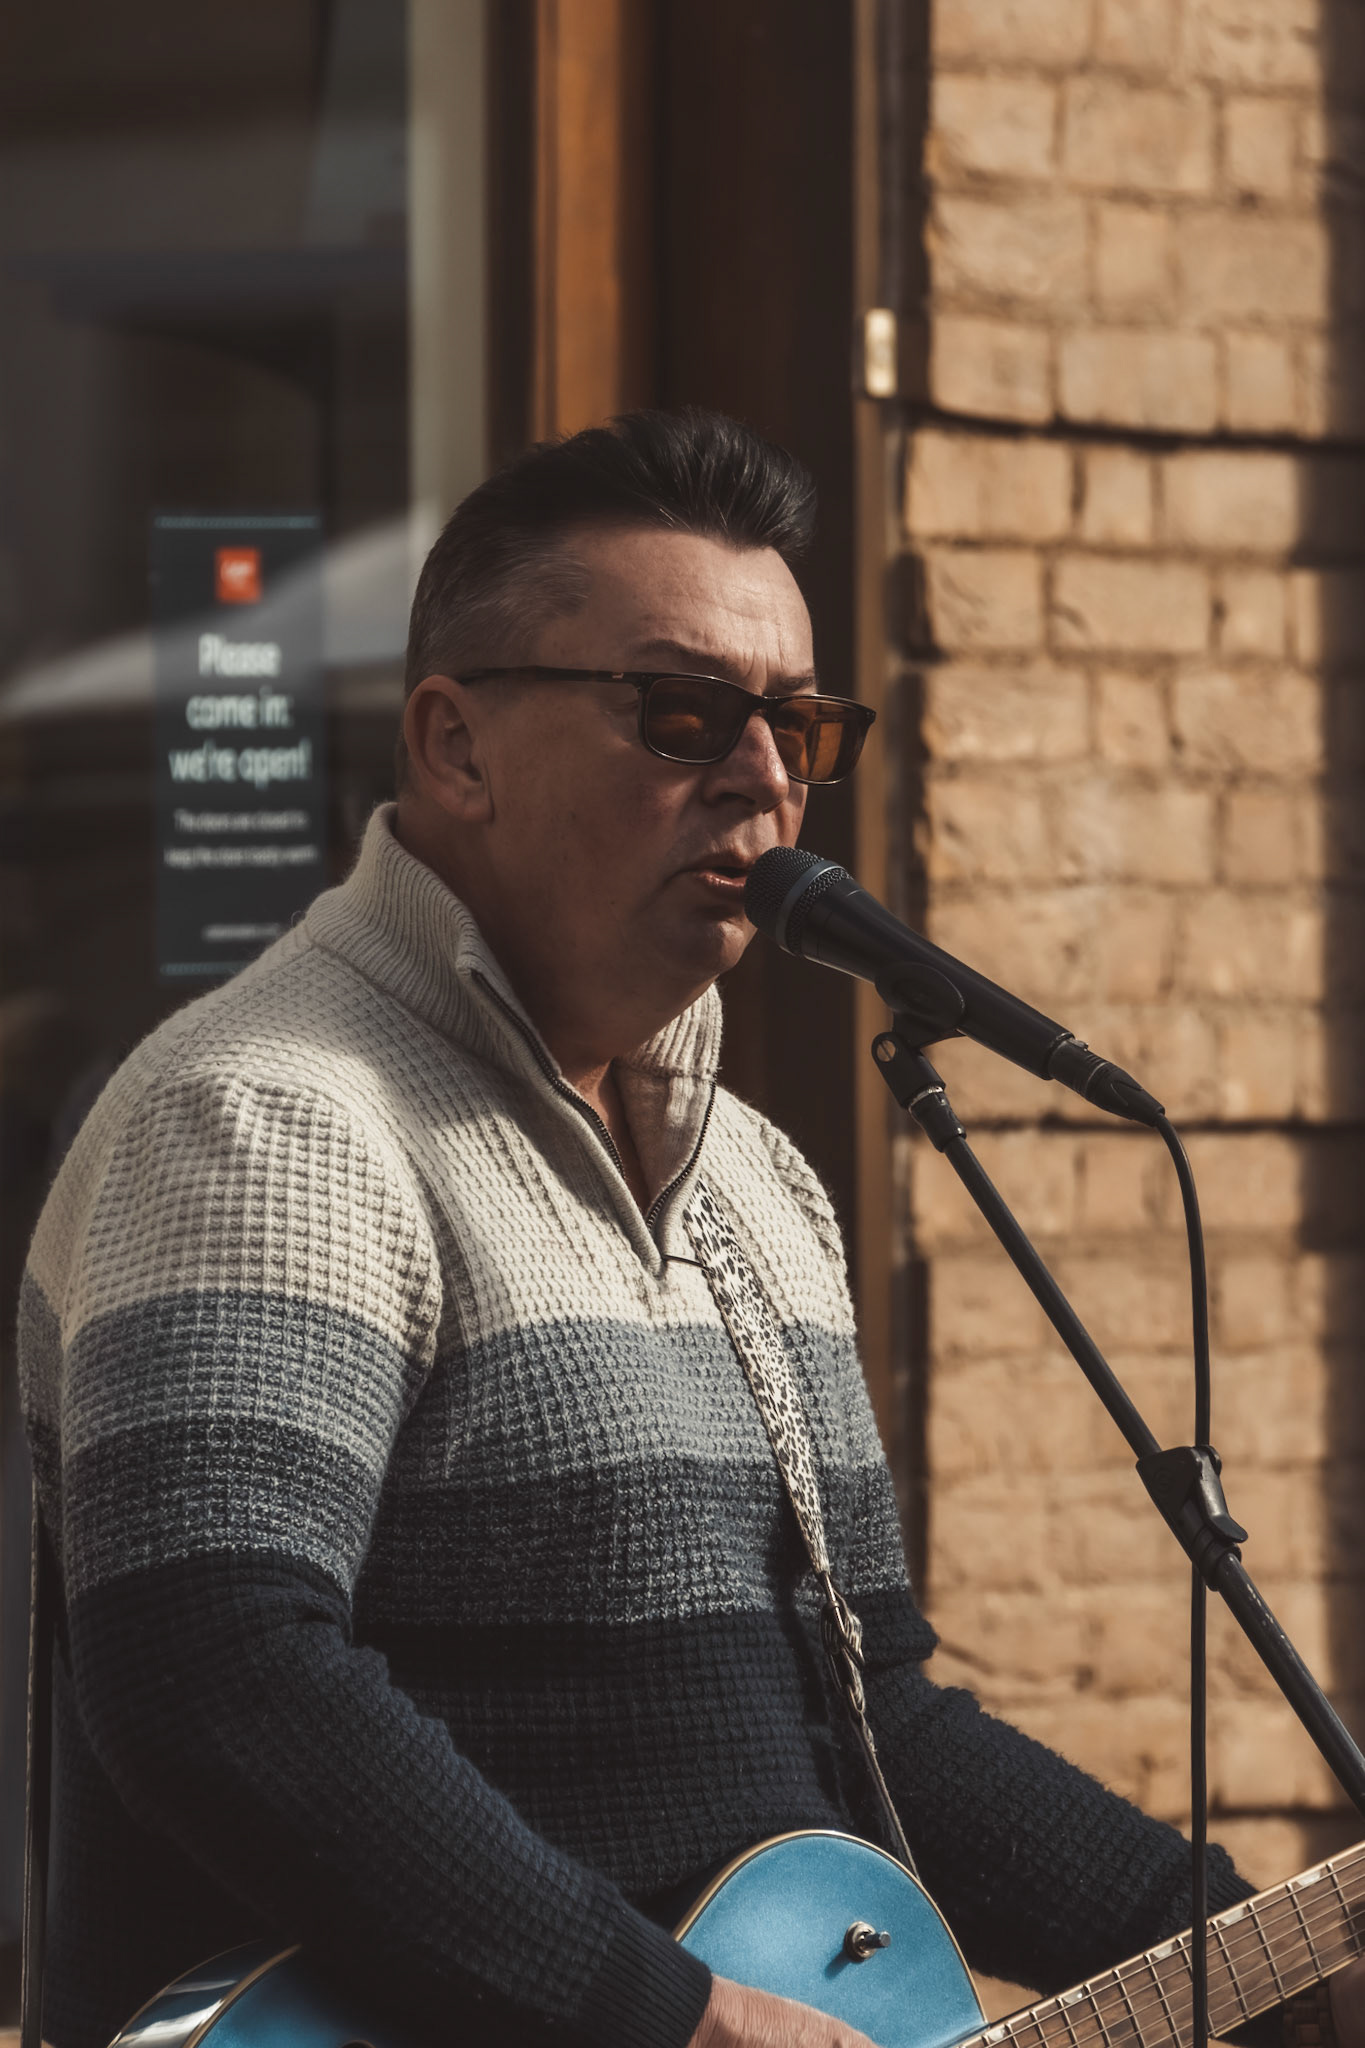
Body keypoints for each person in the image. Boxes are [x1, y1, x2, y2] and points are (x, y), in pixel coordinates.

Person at [19, 411, 1365, 2048]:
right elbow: (215, 1676)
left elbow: (875, 1724)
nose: (764, 775)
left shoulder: (756, 1185)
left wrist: (1278, 1969)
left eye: (799, 725)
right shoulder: (266, 1117)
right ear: (455, 747)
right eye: (683, 713)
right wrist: (668, 2016)